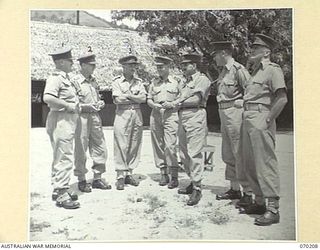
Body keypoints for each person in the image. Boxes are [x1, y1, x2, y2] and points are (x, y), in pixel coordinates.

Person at [239, 34, 288, 226]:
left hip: (261, 117)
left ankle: (273, 209)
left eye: (256, 47)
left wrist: (268, 118)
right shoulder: (255, 72)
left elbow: (282, 98)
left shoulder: (272, 70)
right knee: (249, 162)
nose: (251, 50)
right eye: (252, 46)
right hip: (248, 118)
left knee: (265, 163)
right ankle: (259, 202)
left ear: (266, 52)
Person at [211, 41, 253, 208]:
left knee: (239, 152)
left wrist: (242, 101)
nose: (214, 58)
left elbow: (250, 90)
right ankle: (234, 189)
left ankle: (248, 193)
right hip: (224, 114)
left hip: (235, 114)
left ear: (223, 53)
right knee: (228, 152)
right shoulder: (223, 72)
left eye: (215, 54)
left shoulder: (238, 70)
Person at [170, 53, 211, 206]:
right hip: (182, 116)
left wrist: (178, 102)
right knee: (183, 152)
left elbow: (196, 99)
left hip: (196, 114)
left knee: (195, 152)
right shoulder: (184, 82)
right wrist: (179, 102)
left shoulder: (202, 80)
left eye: (186, 65)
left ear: (194, 66)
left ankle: (197, 188)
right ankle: (192, 180)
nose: (183, 68)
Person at [43, 47, 80, 209]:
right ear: (61, 62)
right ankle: (62, 193)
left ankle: (58, 188)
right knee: (64, 155)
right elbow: (48, 98)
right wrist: (66, 105)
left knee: (60, 154)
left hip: (66, 119)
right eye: (69, 60)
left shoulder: (67, 78)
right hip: (61, 119)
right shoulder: (56, 78)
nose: (72, 63)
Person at [71, 53, 112, 193]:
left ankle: (97, 178)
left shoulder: (94, 81)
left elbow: (98, 96)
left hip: (95, 116)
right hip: (81, 117)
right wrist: (85, 107)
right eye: (91, 65)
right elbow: (71, 103)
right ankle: (81, 179)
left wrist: (100, 102)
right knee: (81, 148)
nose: (94, 67)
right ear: (82, 65)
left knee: (100, 146)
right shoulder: (74, 81)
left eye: (94, 65)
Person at [112, 55, 147, 190]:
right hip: (122, 113)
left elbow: (143, 98)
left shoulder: (139, 82)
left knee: (134, 143)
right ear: (124, 67)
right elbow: (117, 100)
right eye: (130, 66)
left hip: (136, 114)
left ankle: (129, 173)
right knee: (121, 143)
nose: (133, 68)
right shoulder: (117, 82)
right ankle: (120, 175)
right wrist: (134, 98)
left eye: (134, 65)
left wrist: (128, 96)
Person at [147, 56, 180, 188]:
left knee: (170, 145)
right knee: (158, 145)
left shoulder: (176, 82)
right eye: (158, 67)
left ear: (168, 67)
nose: (159, 69)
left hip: (170, 114)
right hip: (155, 114)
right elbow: (148, 98)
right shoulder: (154, 83)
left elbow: (181, 99)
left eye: (162, 67)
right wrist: (154, 105)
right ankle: (163, 173)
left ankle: (174, 175)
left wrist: (171, 104)